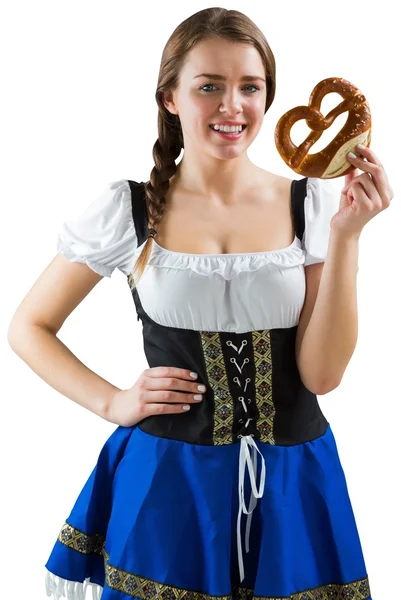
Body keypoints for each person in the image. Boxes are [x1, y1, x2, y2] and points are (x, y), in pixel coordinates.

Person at [7, 7, 393, 600]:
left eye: (249, 87)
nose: (231, 106)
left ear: (269, 97)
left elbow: (322, 374)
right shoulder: (129, 210)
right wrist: (113, 400)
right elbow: (30, 326)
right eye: (208, 86)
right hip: (166, 480)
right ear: (170, 98)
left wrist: (346, 237)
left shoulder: (313, 207)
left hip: (295, 481)